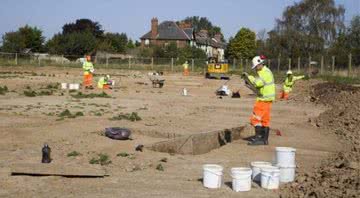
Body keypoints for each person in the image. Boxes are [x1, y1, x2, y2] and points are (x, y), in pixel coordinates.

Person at [245, 56, 275, 145]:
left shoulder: (265, 73)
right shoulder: (266, 71)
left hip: (263, 99)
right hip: (267, 100)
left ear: (260, 64)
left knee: (255, 119)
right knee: (265, 120)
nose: (256, 70)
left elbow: (258, 83)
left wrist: (249, 77)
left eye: (256, 67)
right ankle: (264, 139)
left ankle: (258, 138)